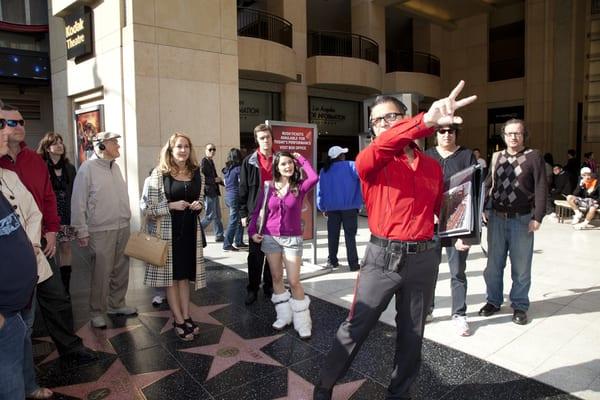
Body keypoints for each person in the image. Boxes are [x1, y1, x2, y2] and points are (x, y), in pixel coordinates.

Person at [313, 81, 477, 400]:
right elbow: (388, 143)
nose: (387, 124)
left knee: (413, 334)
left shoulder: (431, 166)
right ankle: (324, 387)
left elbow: (440, 210)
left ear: (404, 116)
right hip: (382, 258)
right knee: (355, 328)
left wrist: (462, 226)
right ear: (372, 130)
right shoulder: (370, 160)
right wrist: (425, 120)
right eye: (379, 120)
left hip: (424, 259)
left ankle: (400, 393)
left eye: (394, 117)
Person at [0, 103, 94, 363]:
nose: (19, 126)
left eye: (21, 121)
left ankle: (71, 348)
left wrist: (52, 231)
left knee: (57, 298)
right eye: (11, 122)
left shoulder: (34, 160)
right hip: (9, 250)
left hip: (42, 242)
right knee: (19, 312)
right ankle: (20, 367)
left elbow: (48, 198)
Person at [479, 119, 547, 326]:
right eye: (509, 134)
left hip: (522, 219)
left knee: (521, 267)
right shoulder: (497, 156)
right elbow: (489, 183)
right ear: (504, 136)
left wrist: (538, 217)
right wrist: (483, 207)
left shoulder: (534, 156)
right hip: (497, 219)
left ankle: (519, 305)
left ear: (524, 135)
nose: (513, 137)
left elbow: (541, 187)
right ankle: (493, 301)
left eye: (517, 133)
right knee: (493, 265)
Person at [0, 128, 51, 399]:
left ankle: (30, 384)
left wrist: (29, 245)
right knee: (7, 375)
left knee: (24, 339)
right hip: (4, 308)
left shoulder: (9, 177)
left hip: (22, 290)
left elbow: (32, 212)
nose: (6, 134)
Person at [141, 133, 207, 340]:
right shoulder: (159, 175)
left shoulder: (198, 174)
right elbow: (146, 207)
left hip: (190, 233)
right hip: (167, 234)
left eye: (186, 146)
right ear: (170, 150)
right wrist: (169, 205)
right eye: (179, 146)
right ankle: (178, 320)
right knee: (171, 279)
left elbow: (202, 200)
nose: (183, 150)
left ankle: (186, 316)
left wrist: (199, 205)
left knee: (185, 278)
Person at [248, 151, 318, 339]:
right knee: (277, 278)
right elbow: (257, 212)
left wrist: (301, 159)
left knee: (294, 281)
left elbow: (314, 176)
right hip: (270, 238)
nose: (288, 166)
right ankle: (284, 316)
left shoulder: (299, 187)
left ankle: (303, 322)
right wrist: (252, 232)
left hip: (292, 239)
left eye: (290, 163)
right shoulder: (268, 187)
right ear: (276, 168)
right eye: (283, 164)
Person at [71, 132, 136, 329]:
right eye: (114, 142)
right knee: (101, 273)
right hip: (100, 230)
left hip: (122, 227)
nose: (118, 146)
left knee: (121, 269)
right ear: (101, 146)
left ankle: (116, 304)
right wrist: (81, 230)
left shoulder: (115, 167)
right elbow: (78, 202)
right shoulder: (87, 169)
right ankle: (96, 312)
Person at [425, 123, 477, 336]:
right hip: (433, 223)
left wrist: (467, 233)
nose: (447, 135)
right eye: (442, 131)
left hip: (458, 223)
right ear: (436, 134)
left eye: (451, 131)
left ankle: (459, 314)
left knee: (457, 271)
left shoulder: (466, 156)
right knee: (429, 270)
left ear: (456, 133)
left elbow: (473, 193)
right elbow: (421, 188)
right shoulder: (427, 156)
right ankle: (427, 310)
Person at [36, 132, 77, 296]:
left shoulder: (70, 168)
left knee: (66, 248)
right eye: (55, 143)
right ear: (47, 148)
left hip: (66, 213)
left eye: (61, 142)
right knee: (49, 249)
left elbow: (75, 190)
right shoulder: (40, 166)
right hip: (48, 214)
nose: (60, 145)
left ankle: (66, 286)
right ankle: (51, 286)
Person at [239, 124, 274, 305]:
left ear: (272, 138)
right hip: (255, 214)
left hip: (276, 215)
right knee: (255, 255)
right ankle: (252, 288)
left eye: (268, 137)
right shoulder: (249, 162)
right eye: (262, 138)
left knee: (273, 254)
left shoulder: (280, 159)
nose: (265, 140)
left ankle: (269, 286)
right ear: (257, 140)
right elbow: (243, 189)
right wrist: (243, 213)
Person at [316, 145, 363, 271]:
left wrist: (322, 207)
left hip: (331, 209)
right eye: (343, 153)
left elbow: (320, 191)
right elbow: (364, 178)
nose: (344, 155)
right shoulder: (351, 165)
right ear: (340, 156)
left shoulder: (324, 170)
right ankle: (353, 264)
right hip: (350, 208)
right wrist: (360, 202)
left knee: (332, 236)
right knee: (350, 236)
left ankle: (332, 261)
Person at [222, 148, 247, 251]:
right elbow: (241, 183)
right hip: (235, 196)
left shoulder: (227, 170)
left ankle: (239, 241)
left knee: (238, 220)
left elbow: (225, 183)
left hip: (228, 196)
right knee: (234, 221)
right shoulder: (238, 169)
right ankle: (227, 244)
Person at [200, 143, 225, 242]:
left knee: (218, 215)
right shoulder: (204, 162)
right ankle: (196, 231)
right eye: (210, 149)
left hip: (214, 191)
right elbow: (202, 178)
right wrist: (214, 180)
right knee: (210, 215)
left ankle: (219, 235)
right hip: (209, 192)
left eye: (214, 149)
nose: (212, 151)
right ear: (205, 150)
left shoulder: (211, 161)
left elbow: (216, 177)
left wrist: (223, 183)